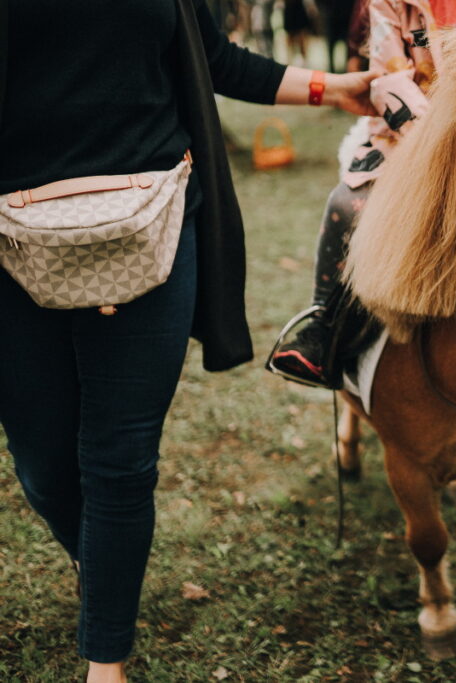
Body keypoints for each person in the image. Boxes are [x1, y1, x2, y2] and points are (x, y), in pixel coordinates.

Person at [0, 1, 376, 681]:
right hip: (10, 243)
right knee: (42, 461)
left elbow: (217, 58)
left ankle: (104, 663)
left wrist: (334, 88)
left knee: (120, 459)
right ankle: (97, 555)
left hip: (152, 228)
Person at [269, 0, 456, 385]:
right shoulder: (391, 5)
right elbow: (389, 77)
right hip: (407, 137)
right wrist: (436, 140)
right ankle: (325, 325)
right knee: (347, 204)